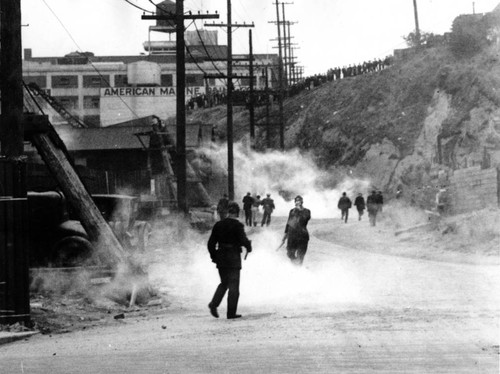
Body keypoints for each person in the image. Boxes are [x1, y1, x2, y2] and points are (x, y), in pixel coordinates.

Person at [207, 202, 252, 319]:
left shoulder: (218, 225)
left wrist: (214, 257)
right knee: (234, 287)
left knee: (224, 283)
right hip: (233, 258)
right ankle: (231, 313)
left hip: (221, 257)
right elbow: (243, 240)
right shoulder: (238, 225)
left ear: (228, 212)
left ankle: (214, 304)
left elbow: (211, 243)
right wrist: (249, 247)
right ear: (237, 213)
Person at [281, 195, 311, 265]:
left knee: (301, 255)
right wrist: (285, 235)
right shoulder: (292, 211)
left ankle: (298, 270)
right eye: (296, 201)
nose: (298, 202)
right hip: (292, 236)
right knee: (289, 253)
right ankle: (295, 264)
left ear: (302, 202)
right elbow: (289, 223)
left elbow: (304, 219)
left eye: (299, 201)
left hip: (302, 236)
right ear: (295, 202)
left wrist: (298, 209)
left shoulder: (307, 211)